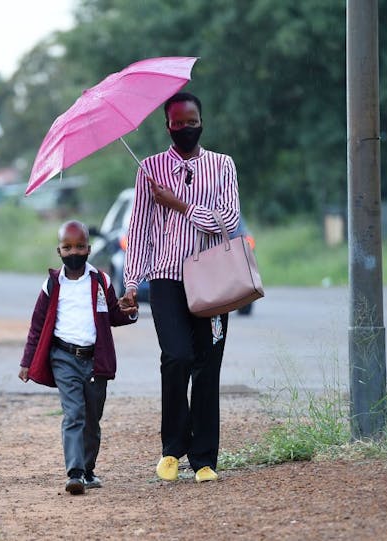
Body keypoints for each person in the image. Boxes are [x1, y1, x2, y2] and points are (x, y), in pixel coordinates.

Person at [120, 92, 240, 483]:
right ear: (167, 126)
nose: (186, 129)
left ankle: (204, 459)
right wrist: (133, 282)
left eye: (192, 122)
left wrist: (180, 204)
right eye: (178, 123)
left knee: (208, 366)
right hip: (168, 279)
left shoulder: (222, 166)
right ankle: (173, 449)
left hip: (212, 280)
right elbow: (138, 229)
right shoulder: (150, 169)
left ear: (202, 122)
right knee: (176, 357)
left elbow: (229, 220)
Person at [19, 220, 138, 495]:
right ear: (58, 251)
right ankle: (74, 473)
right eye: (67, 247)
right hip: (63, 357)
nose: (74, 252)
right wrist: (26, 361)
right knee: (74, 414)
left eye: (80, 247)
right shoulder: (52, 284)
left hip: (95, 360)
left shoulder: (100, 281)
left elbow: (113, 315)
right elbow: (37, 326)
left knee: (92, 419)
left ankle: (87, 469)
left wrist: (128, 309)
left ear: (89, 248)